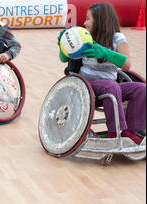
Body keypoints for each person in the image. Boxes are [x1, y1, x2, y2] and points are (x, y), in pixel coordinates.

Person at [58, 2, 146, 145]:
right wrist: (63, 45)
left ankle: (131, 132)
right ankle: (115, 132)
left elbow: (127, 64)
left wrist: (105, 52)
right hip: (87, 85)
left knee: (141, 89)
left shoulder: (117, 38)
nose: (84, 22)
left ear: (99, 20)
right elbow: (64, 59)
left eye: (88, 18)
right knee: (111, 87)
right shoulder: (84, 37)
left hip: (112, 85)